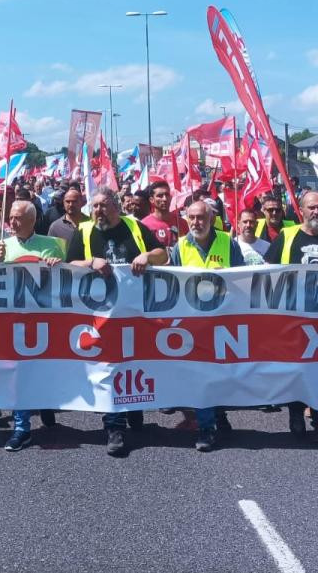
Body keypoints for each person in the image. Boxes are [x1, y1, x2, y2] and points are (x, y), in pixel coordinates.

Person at [66, 186, 166, 457]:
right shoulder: (84, 231)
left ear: (116, 207)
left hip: (135, 313)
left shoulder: (135, 227)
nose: (98, 211)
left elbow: (163, 254)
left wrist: (147, 256)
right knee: (108, 367)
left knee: (135, 361)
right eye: (94, 206)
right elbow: (69, 264)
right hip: (101, 315)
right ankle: (114, 427)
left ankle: (133, 407)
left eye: (103, 206)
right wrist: (90, 262)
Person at [264, 191, 318, 452]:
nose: (316, 211)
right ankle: (296, 410)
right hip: (294, 318)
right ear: (300, 210)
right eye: (311, 207)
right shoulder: (286, 236)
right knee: (298, 370)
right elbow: (266, 270)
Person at [0, 200, 67, 451]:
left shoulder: (53, 245)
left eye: (18, 218)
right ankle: (22, 428)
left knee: (43, 368)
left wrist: (58, 264)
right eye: (10, 217)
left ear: (32, 221)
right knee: (18, 374)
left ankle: (45, 402)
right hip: (12, 322)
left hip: (45, 321)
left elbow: (67, 280)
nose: (12, 222)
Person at [167, 200, 241, 451]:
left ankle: (219, 414)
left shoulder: (228, 243)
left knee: (221, 375)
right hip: (192, 324)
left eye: (201, 218)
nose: (196, 222)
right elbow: (173, 284)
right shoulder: (180, 246)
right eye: (192, 218)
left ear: (211, 219)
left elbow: (244, 277)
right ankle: (206, 428)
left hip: (223, 321)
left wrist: (227, 276)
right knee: (200, 376)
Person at [141, 180, 184, 246]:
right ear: (151, 200)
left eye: (167, 195)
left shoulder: (182, 222)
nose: (165, 199)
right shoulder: (144, 225)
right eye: (160, 196)